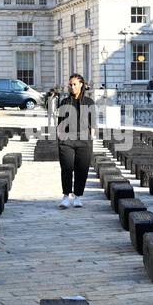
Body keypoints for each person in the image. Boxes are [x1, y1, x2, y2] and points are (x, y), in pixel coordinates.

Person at [55, 73, 96, 208]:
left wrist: (92, 137)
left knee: (82, 169)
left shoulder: (89, 102)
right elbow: (60, 122)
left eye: (74, 84)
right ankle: (66, 196)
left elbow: (93, 122)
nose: (72, 87)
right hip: (67, 140)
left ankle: (78, 196)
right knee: (66, 168)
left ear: (81, 85)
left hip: (84, 140)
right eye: (70, 85)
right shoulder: (64, 102)